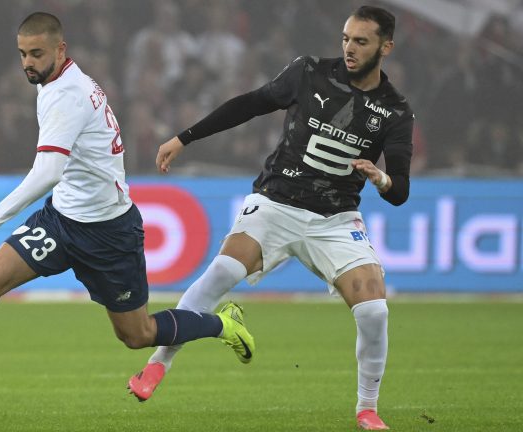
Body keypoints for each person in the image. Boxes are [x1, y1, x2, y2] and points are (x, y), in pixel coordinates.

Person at [0, 12, 254, 412]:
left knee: (137, 334)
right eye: (23, 54)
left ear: (60, 49)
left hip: (109, 233)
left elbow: (49, 171)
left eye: (37, 53)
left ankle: (223, 324)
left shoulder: (68, 95)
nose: (28, 62)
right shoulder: (59, 83)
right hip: (62, 221)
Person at [127, 6, 413, 431]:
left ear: (385, 47)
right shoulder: (309, 73)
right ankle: (156, 366)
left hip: (335, 219)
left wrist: (382, 178)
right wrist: (184, 138)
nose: (350, 48)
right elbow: (249, 104)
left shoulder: (395, 110)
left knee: (374, 311)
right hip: (277, 201)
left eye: (362, 41)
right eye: (346, 38)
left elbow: (401, 190)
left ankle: (367, 409)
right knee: (221, 272)